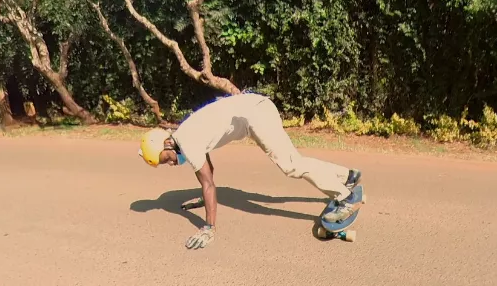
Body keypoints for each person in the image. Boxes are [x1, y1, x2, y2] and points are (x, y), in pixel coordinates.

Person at [138, 92, 363, 249]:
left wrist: (209, 227)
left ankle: (345, 198)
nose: (169, 163)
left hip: (255, 114)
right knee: (293, 161)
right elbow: (208, 173)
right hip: (255, 108)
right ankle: (347, 176)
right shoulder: (185, 135)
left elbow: (208, 183)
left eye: (164, 159)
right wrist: (204, 199)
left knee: (291, 165)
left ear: (166, 144)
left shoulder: (187, 143)